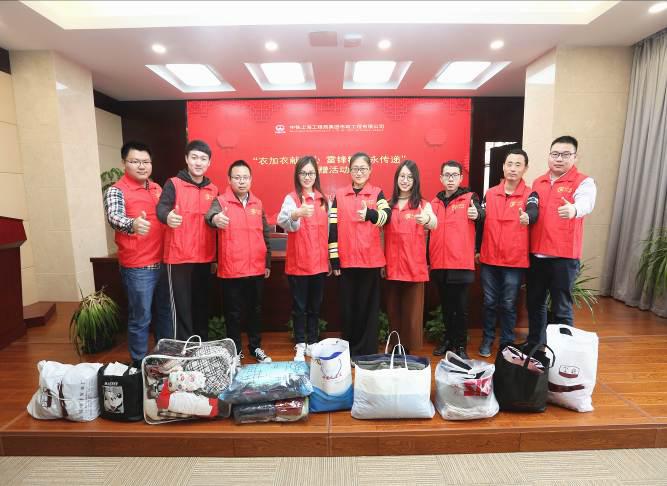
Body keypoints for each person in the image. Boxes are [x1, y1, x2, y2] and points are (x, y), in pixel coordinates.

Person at [103, 141, 171, 367]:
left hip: (164, 262)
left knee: (164, 313)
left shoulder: (157, 188)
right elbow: (114, 217)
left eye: (146, 162)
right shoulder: (116, 190)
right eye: (135, 161)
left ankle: (163, 358)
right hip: (138, 266)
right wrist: (132, 224)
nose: (142, 166)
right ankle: (139, 364)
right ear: (124, 163)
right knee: (141, 318)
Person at [526, 135, 596, 345]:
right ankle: (536, 344)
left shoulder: (583, 181)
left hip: (563, 257)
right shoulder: (538, 182)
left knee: (561, 307)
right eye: (555, 154)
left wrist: (574, 209)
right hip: (537, 255)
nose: (559, 159)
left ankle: (563, 350)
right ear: (549, 155)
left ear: (575, 157)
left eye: (565, 155)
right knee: (535, 303)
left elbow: (586, 203)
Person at [206, 160, 273, 363]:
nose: (241, 181)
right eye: (237, 177)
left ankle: (255, 347)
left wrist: (267, 262)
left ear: (251, 179)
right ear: (229, 179)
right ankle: (235, 352)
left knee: (255, 311)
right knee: (233, 313)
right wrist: (215, 219)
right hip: (231, 269)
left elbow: (265, 233)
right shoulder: (221, 201)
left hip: (256, 267)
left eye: (245, 177)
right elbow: (210, 216)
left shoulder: (257, 203)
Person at [477, 148, 539, 357]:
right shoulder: (491, 193)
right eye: (509, 164)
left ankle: (506, 342)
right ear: (503, 166)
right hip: (489, 258)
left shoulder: (530, 194)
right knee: (489, 302)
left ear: (525, 169)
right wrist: (477, 248)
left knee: (509, 303)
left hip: (514, 260)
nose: (513, 168)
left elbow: (534, 211)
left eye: (518, 165)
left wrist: (528, 217)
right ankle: (487, 339)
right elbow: (482, 217)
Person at [328, 152, 391, 357]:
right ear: (349, 171)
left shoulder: (377, 193)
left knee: (368, 309)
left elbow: (387, 216)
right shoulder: (339, 195)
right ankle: (350, 351)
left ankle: (367, 352)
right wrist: (334, 260)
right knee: (348, 309)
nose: (359, 172)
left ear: (370, 170)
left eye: (363, 168)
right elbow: (333, 228)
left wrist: (370, 214)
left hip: (370, 262)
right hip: (346, 262)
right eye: (355, 168)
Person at [156, 140, 217, 342]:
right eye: (194, 157)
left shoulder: (213, 189)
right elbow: (161, 208)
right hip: (179, 256)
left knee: (202, 304)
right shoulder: (173, 184)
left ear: (209, 162)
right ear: (186, 159)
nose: (198, 162)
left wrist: (216, 258)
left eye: (203, 159)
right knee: (181, 307)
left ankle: (201, 345)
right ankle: (184, 348)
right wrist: (167, 216)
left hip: (204, 256)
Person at [429, 160, 484, 359]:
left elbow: (481, 214)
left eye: (454, 175)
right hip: (439, 262)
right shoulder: (434, 203)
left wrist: (477, 214)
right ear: (441, 178)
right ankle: (448, 340)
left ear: (461, 178)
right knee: (446, 307)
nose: (450, 179)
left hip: (460, 263)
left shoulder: (470, 198)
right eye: (447, 175)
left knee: (460, 308)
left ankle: (460, 345)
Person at [277, 156, 330, 361]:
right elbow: (282, 221)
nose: (307, 177)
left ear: (316, 175)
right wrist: (296, 214)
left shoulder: (323, 200)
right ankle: (300, 344)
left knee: (315, 307)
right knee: (299, 308)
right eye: (303, 173)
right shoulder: (292, 198)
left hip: (319, 263)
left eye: (311, 173)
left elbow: (328, 232)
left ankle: (313, 343)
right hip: (299, 263)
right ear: (297, 175)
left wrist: (329, 259)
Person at [383, 160, 437, 353]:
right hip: (391, 266)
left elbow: (434, 223)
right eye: (402, 176)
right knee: (393, 311)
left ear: (415, 181)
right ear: (396, 179)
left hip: (413, 267)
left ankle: (408, 350)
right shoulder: (388, 205)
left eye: (409, 177)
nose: (405, 180)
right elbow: (380, 234)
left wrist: (427, 219)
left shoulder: (423, 204)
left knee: (411, 314)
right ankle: (394, 347)